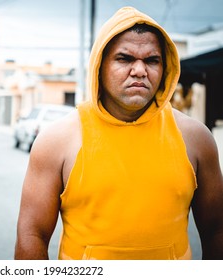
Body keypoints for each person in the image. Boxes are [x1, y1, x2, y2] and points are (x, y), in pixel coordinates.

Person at [14, 6, 223, 260]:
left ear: (165, 67)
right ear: (100, 66)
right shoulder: (58, 140)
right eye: (124, 59)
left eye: (151, 60)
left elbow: (216, 231)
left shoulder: (195, 139)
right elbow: (32, 234)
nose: (139, 70)